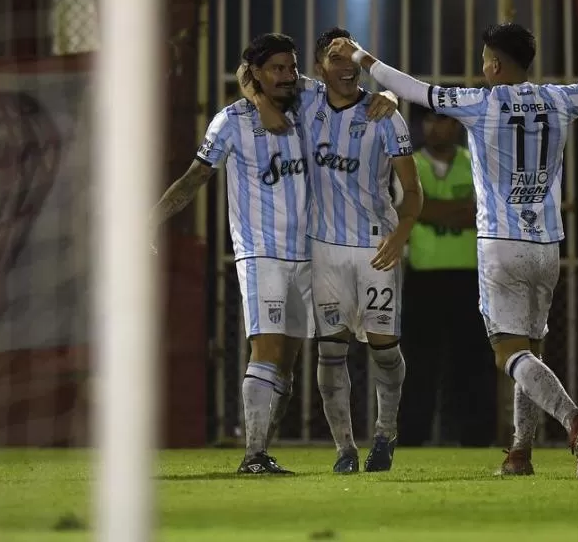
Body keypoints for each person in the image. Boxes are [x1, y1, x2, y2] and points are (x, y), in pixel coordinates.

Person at [327, 10, 578, 479]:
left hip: (501, 243)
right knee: (530, 352)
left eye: (485, 60)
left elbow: (409, 87)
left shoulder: (480, 103)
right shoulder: (560, 99)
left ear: (496, 66)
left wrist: (358, 54)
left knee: (508, 353)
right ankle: (520, 452)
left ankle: (576, 421)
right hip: (547, 244)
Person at [151, 32, 397, 474]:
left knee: (286, 364)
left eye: (290, 67)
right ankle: (253, 456)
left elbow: (356, 91)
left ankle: (262, 451)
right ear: (256, 74)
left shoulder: (308, 108)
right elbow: (194, 177)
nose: (286, 76)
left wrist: (393, 95)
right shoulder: (230, 122)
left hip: (310, 255)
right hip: (261, 252)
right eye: (276, 69)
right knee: (265, 351)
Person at [242, 27, 423, 473]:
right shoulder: (304, 98)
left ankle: (385, 433)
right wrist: (263, 105)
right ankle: (345, 449)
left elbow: (413, 189)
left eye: (352, 58)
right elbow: (247, 73)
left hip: (374, 247)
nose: (345, 67)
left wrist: (401, 234)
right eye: (334, 59)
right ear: (319, 68)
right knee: (331, 352)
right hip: (322, 250)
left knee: (384, 351)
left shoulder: (385, 114)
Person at [396, 109, 497, 448]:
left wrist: (426, 208)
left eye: (441, 120)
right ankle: (411, 438)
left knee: (471, 363)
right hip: (424, 279)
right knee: (418, 364)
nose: (433, 126)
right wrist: (454, 211)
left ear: (456, 124)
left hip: (469, 278)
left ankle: (476, 439)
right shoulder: (409, 162)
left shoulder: (475, 160)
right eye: (428, 120)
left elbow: (483, 212)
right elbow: (406, 209)